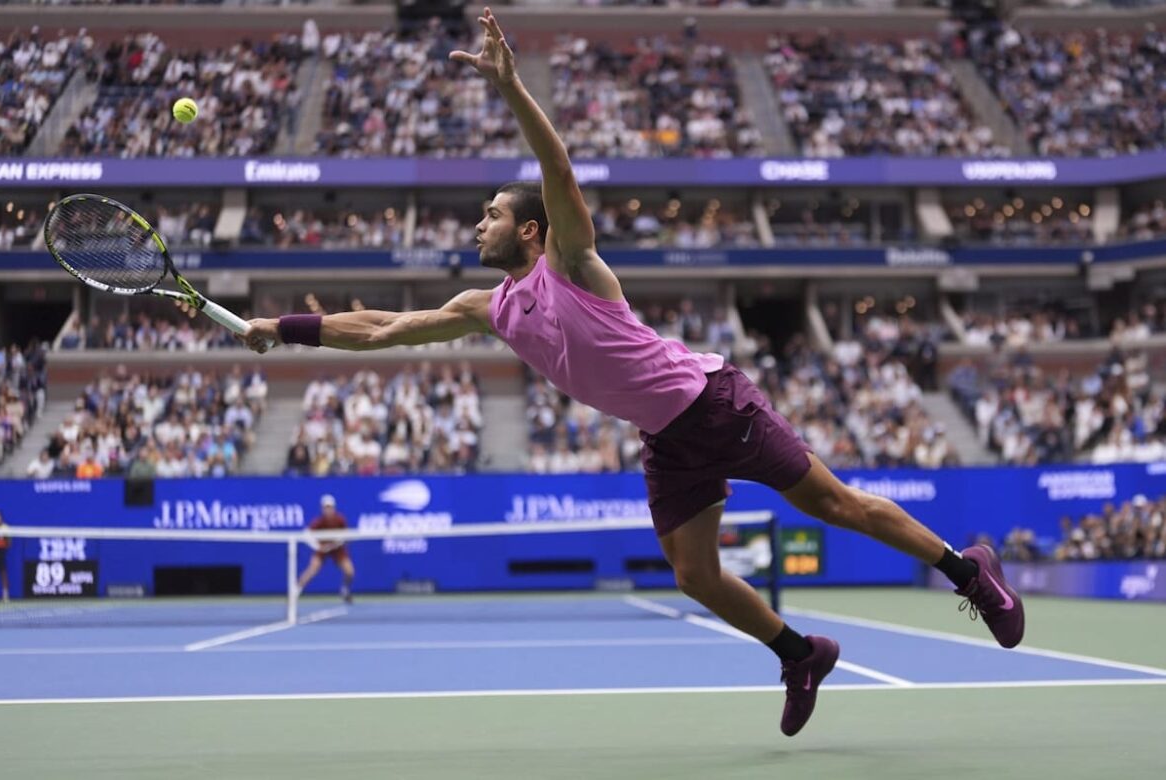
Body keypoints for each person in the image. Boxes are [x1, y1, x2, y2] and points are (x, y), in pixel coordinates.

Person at [237, 8, 1024, 738]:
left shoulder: (573, 265)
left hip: (714, 404)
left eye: (491, 215)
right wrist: (285, 327)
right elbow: (383, 329)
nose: (478, 225)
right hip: (665, 438)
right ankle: (798, 652)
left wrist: (512, 89)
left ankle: (969, 572)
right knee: (695, 574)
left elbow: (561, 172)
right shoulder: (490, 305)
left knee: (836, 505)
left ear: (531, 229)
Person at [297, 495, 354, 604]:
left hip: (338, 549)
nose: (328, 510)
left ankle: (345, 590)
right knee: (312, 570)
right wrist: (319, 547)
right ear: (322, 509)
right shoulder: (319, 522)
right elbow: (306, 534)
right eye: (326, 508)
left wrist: (336, 544)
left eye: (330, 507)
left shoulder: (340, 520)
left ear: (334, 508)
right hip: (322, 549)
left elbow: (346, 536)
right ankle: (296, 592)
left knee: (350, 571)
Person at [0, 511, 10, 602]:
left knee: (3, 573)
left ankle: (5, 595)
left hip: (1, 552)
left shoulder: (5, 528)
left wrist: (2, 544)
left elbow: (8, 541)